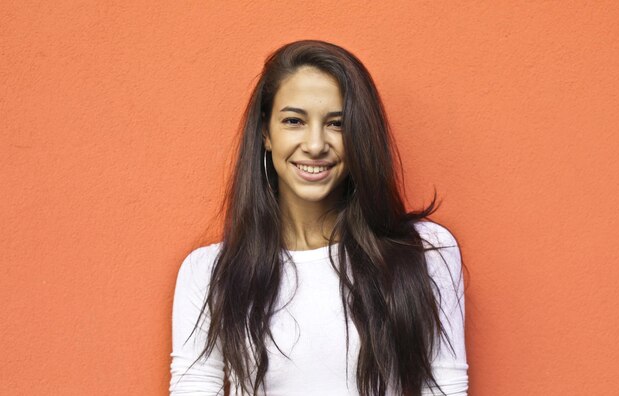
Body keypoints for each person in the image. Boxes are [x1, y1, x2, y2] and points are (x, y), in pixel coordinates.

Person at [169, 40, 468, 395]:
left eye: (337, 124)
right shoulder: (209, 273)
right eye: (294, 121)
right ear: (266, 133)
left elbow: (445, 387)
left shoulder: (423, 253)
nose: (314, 144)